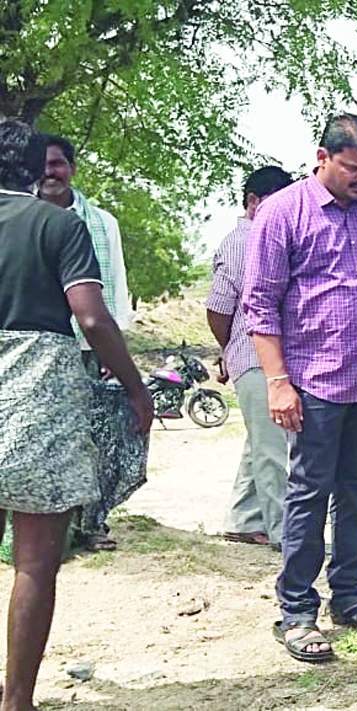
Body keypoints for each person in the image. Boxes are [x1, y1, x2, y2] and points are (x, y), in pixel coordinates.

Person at [243, 114, 357, 663]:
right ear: (321, 156)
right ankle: (296, 611)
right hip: (313, 382)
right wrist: (278, 382)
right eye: (351, 168)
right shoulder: (280, 214)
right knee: (307, 493)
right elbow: (259, 306)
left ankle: (350, 598)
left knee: (356, 491)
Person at [0, 119, 153, 711]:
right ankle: (17, 701)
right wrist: (137, 389)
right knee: (35, 563)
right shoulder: (60, 226)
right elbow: (91, 318)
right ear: (37, 168)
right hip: (37, 402)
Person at [38, 133, 142, 552]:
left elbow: (113, 288)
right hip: (36, 348)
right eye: (43, 165)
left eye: (59, 164)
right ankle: (38, 527)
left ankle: (90, 524)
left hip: (86, 346)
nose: (51, 172)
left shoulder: (101, 223)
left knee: (91, 438)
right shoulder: (19, 216)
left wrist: (111, 352)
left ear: (72, 169)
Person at [206, 165, 294, 547]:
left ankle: (244, 519)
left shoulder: (271, 237)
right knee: (275, 448)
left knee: (261, 441)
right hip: (255, 356)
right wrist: (230, 349)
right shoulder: (241, 243)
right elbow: (217, 308)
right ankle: (284, 533)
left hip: (259, 355)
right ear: (253, 202)